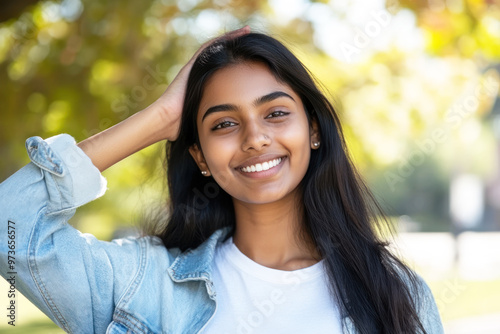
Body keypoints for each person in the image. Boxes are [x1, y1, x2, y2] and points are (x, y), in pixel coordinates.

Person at [0, 26, 444, 333]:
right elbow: (10, 226)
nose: (255, 138)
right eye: (223, 124)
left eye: (275, 113)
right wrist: (161, 117)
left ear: (312, 130)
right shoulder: (145, 284)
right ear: (201, 158)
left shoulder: (395, 292)